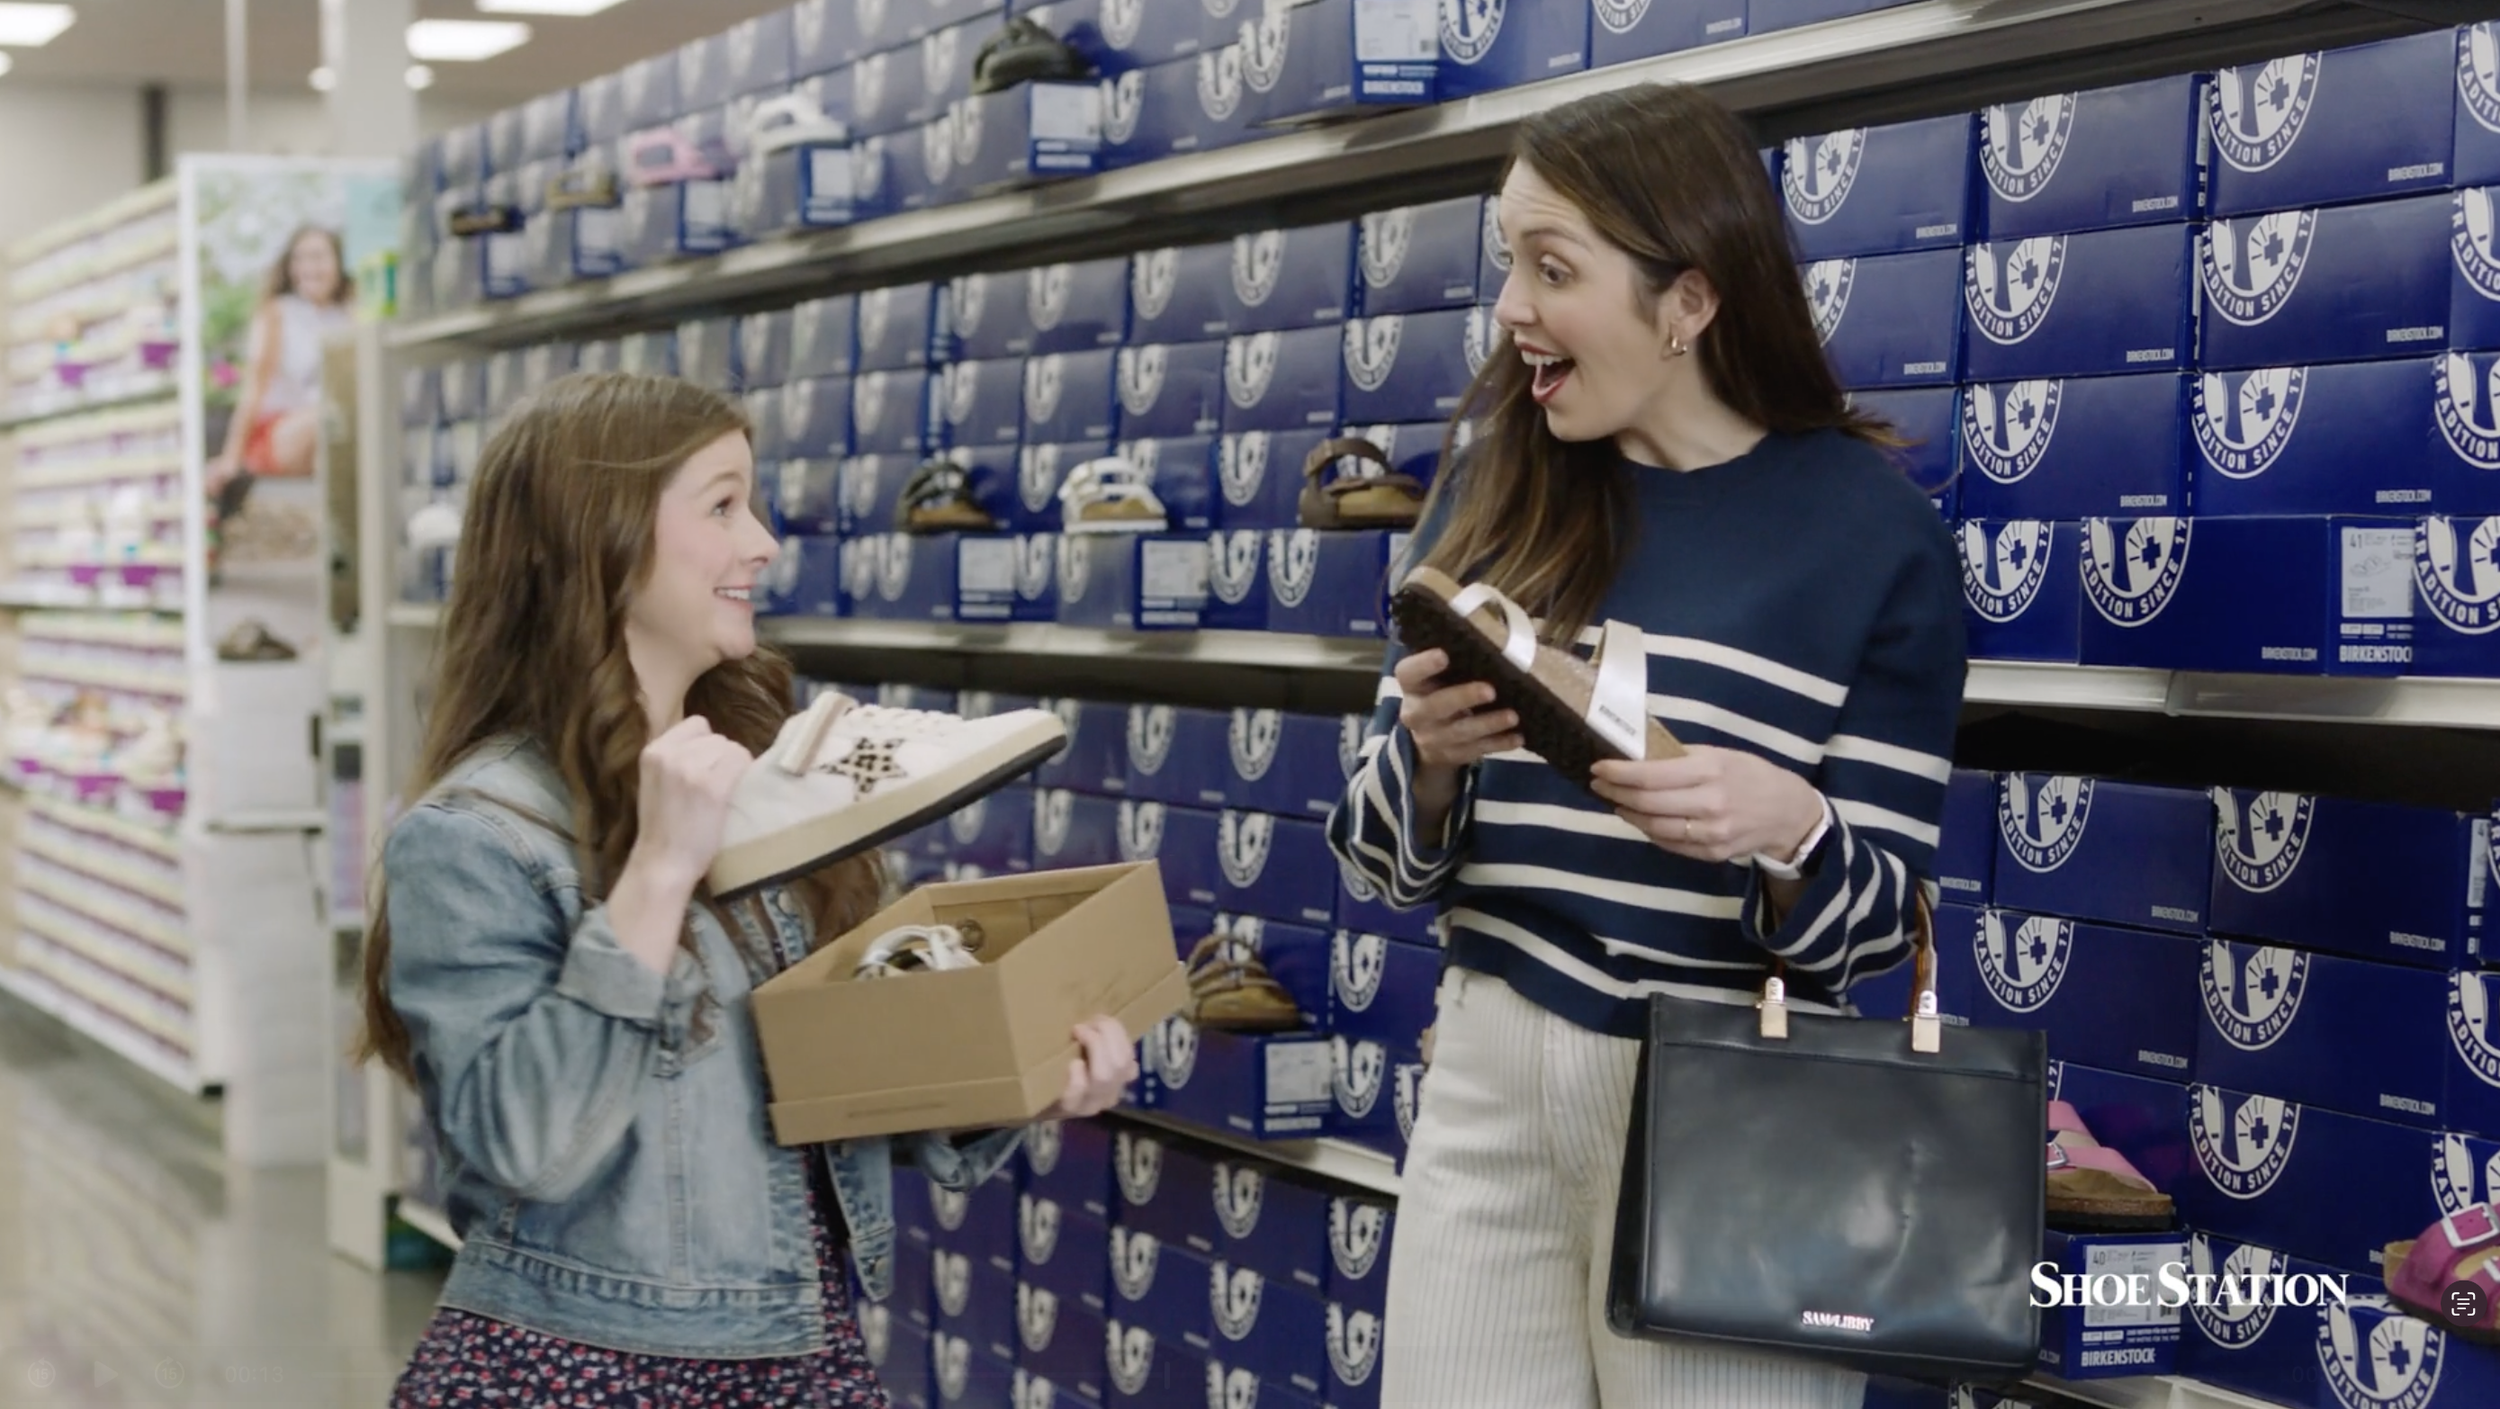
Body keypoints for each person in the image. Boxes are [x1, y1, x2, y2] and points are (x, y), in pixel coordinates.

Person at [1328, 84, 1966, 1409]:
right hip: (1486, 1092)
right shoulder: (1491, 490)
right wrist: (1427, 761)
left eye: (1552, 268)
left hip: (1737, 1120)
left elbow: (1874, 932)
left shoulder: (1875, 538)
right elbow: (1376, 864)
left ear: (1689, 299)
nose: (1511, 308)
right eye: (1509, 261)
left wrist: (1787, 827)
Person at [359, 372, 1137, 1406]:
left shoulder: (767, 784)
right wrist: (658, 871)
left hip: (797, 1354)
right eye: (723, 505)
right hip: (579, 1369)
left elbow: (823, 1095)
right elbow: (524, 1147)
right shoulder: (476, 834)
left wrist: (1020, 1073)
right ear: (598, 536)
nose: (763, 543)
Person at [206, 225, 354, 519]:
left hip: (330, 435)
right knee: (331, 416)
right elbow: (254, 387)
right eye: (300, 259)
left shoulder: (347, 316)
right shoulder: (277, 313)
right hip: (279, 434)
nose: (309, 268)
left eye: (318, 257)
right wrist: (231, 458)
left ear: (338, 263)